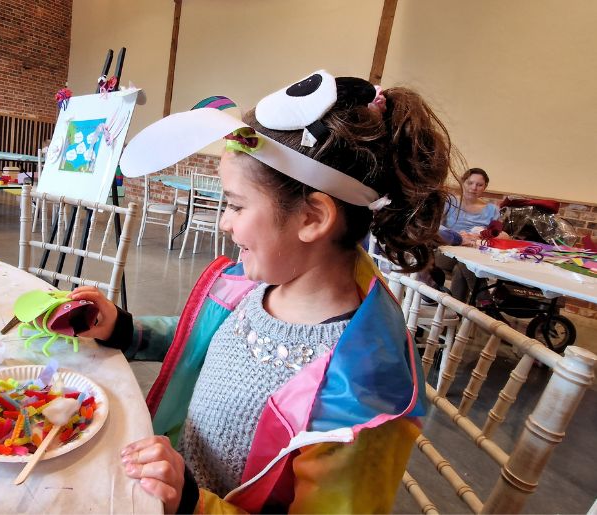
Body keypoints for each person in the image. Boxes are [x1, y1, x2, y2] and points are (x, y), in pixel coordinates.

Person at [69, 70, 453, 513]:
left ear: (312, 218)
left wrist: (192, 502)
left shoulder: (361, 395)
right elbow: (207, 340)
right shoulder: (264, 282)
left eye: (235, 205)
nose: (223, 222)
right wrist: (124, 328)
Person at [435, 168, 501, 302]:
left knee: (462, 267)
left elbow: (496, 234)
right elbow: (435, 226)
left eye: (479, 185)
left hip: (475, 252)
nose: (474, 188)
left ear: (485, 187)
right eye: (470, 183)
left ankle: (455, 312)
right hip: (446, 251)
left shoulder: (492, 209)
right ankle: (486, 302)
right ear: (462, 182)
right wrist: (456, 236)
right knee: (466, 262)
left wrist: (480, 236)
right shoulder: (450, 201)